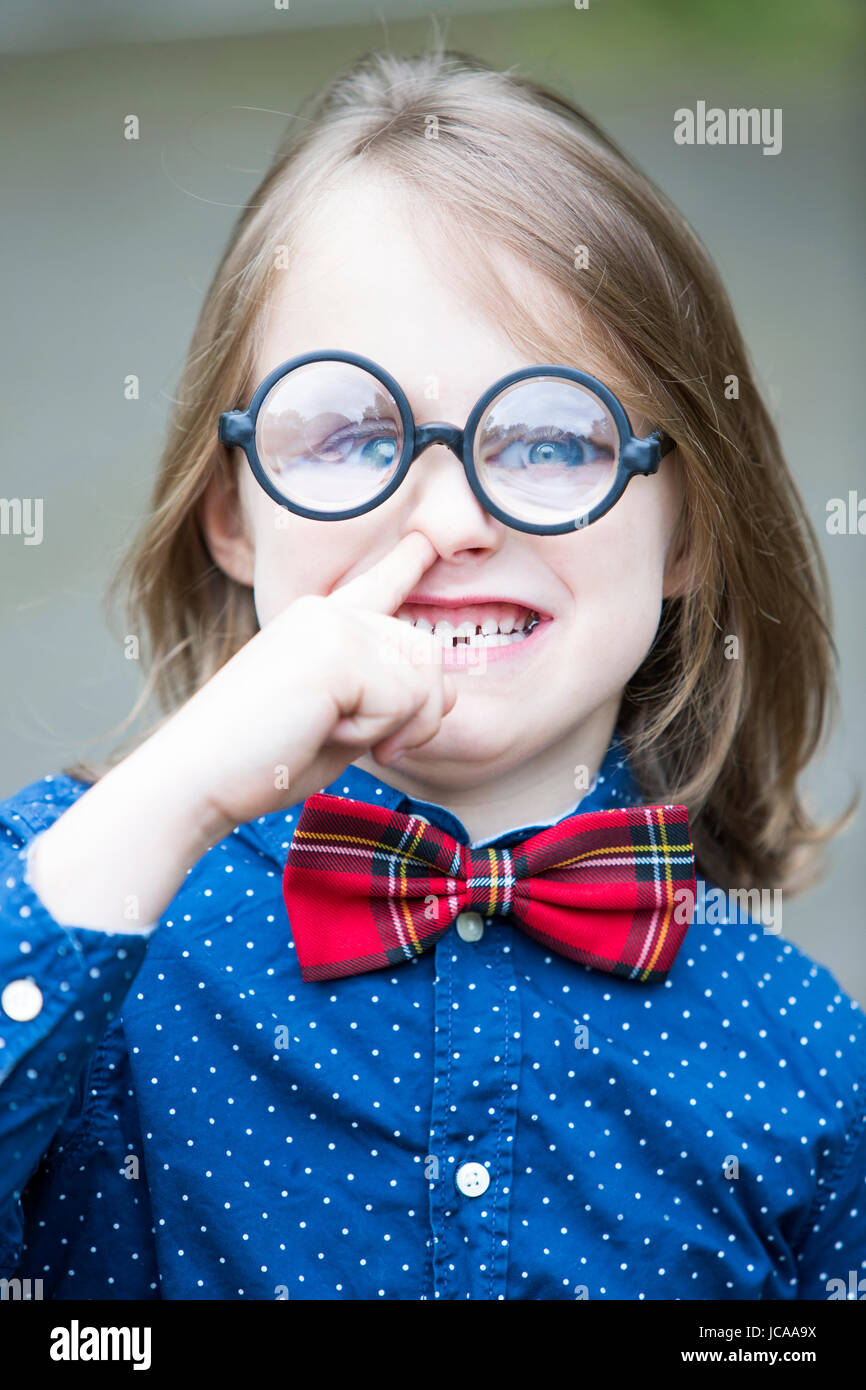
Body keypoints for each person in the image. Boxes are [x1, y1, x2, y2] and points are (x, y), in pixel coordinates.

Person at [1, 46, 863, 1302]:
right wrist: (163, 803)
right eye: (353, 431)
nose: (451, 516)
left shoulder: (803, 1058)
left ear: (684, 525)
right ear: (227, 508)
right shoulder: (76, 896)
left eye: (554, 437)